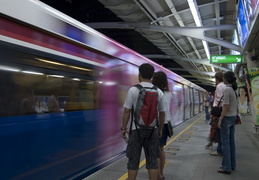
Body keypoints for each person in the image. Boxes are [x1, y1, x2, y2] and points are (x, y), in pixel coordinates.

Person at [121, 63, 166, 180]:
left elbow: (126, 111)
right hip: (153, 130)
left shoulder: (133, 90)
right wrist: (160, 129)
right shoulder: (159, 92)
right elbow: (162, 113)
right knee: (152, 161)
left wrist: (123, 128)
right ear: (151, 76)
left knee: (133, 161)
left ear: (139, 74)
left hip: (136, 130)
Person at [152, 71, 172, 180]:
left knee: (156, 151)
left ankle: (158, 175)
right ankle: (161, 173)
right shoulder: (169, 93)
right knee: (161, 149)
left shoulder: (155, 92)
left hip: (158, 123)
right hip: (166, 123)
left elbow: (159, 111)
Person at [217, 71, 238, 174]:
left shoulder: (227, 90)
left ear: (226, 79)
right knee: (231, 142)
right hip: (233, 117)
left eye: (224, 78)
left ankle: (226, 167)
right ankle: (232, 165)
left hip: (227, 118)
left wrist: (220, 119)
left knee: (225, 143)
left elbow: (225, 106)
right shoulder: (234, 90)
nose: (223, 79)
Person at [206, 72, 226, 154]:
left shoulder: (219, 86)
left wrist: (214, 110)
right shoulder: (226, 86)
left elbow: (219, 100)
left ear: (217, 79)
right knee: (222, 131)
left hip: (219, 111)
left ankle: (219, 150)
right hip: (225, 111)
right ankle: (221, 148)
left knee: (218, 130)